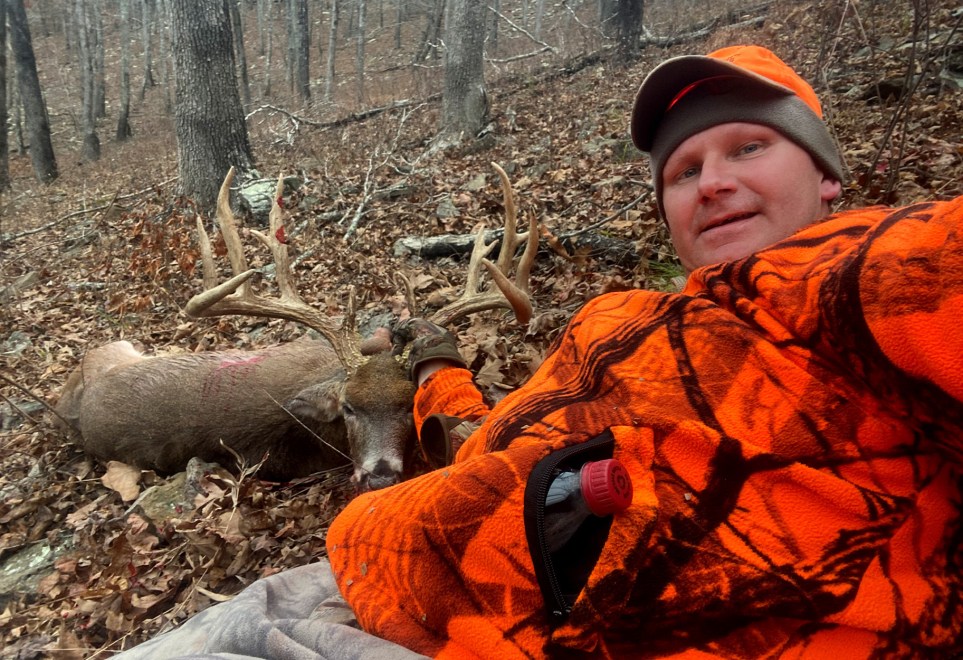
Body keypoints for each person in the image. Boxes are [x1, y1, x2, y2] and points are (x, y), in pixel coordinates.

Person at [116, 45, 962, 659]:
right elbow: (498, 443)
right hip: (355, 589)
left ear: (827, 178)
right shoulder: (628, 318)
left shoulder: (869, 281)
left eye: (749, 148)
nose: (712, 181)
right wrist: (438, 368)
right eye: (682, 170)